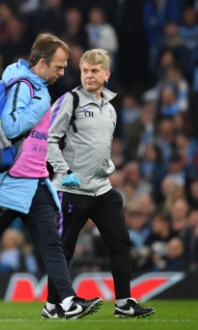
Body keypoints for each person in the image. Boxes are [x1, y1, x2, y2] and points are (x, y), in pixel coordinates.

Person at [0, 33, 102, 320]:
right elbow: (10, 128)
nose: (62, 72)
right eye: (59, 67)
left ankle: (62, 304)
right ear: (43, 63)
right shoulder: (24, 86)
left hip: (34, 180)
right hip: (8, 183)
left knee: (52, 244)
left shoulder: (34, 86)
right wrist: (41, 104)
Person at [46, 49, 156, 318]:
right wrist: (64, 171)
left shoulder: (110, 108)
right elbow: (48, 140)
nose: (89, 75)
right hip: (71, 189)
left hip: (101, 189)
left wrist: (105, 170)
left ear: (107, 74)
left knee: (120, 243)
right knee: (64, 249)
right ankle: (52, 306)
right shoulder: (70, 100)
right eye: (85, 70)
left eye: (95, 70)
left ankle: (124, 303)